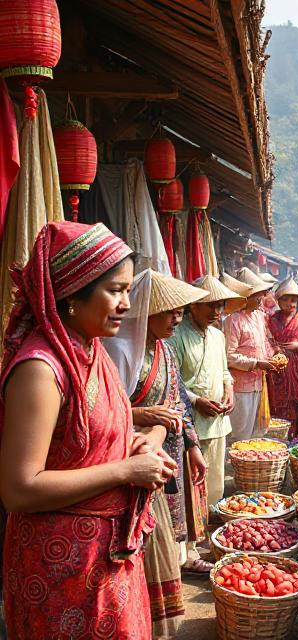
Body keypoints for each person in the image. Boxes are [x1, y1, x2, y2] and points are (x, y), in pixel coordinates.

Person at [0, 222, 176, 639]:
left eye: (128, 290)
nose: (125, 304)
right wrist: (125, 472)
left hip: (106, 557)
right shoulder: (41, 371)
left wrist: (143, 445)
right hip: (62, 567)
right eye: (115, 290)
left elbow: (103, 436)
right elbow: (19, 488)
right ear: (73, 294)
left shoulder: (90, 352)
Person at [104, 269, 209, 638]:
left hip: (169, 451)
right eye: (169, 312)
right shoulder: (118, 349)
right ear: (146, 311)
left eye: (179, 312)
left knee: (166, 537)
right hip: (131, 456)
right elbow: (105, 409)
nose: (176, 319)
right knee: (139, 541)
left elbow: (178, 399)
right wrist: (140, 415)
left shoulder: (164, 350)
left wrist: (193, 446)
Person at [169, 275, 245, 516]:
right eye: (211, 304)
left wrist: (229, 391)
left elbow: (224, 371)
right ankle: (193, 540)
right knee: (191, 484)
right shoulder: (177, 335)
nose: (216, 311)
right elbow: (174, 381)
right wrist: (196, 401)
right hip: (190, 422)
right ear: (194, 305)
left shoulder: (217, 336)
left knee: (214, 484)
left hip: (217, 421)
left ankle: (210, 522)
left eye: (220, 305)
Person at [224, 272, 277, 442]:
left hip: (259, 383)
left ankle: (249, 465)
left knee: (256, 431)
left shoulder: (260, 317)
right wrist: (257, 363)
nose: (261, 298)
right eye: (256, 295)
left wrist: (273, 357)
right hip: (240, 385)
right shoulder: (233, 320)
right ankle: (235, 465)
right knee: (239, 432)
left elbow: (264, 344)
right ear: (245, 297)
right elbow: (229, 356)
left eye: (261, 294)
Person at [267, 278, 298, 438]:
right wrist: (275, 349)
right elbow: (267, 340)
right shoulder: (271, 320)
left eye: (294, 300)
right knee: (278, 398)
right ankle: (279, 432)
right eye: (286, 300)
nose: (290, 304)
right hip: (278, 365)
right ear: (279, 300)